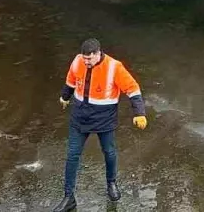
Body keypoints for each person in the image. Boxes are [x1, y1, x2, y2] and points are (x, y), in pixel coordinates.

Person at [52, 38, 147, 211]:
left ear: (98, 53)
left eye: (89, 59)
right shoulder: (78, 61)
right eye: (84, 58)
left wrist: (139, 113)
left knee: (109, 152)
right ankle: (68, 197)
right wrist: (65, 97)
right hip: (80, 117)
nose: (86, 62)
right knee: (72, 155)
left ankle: (111, 183)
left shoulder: (114, 67)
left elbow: (132, 88)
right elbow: (71, 81)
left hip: (104, 119)